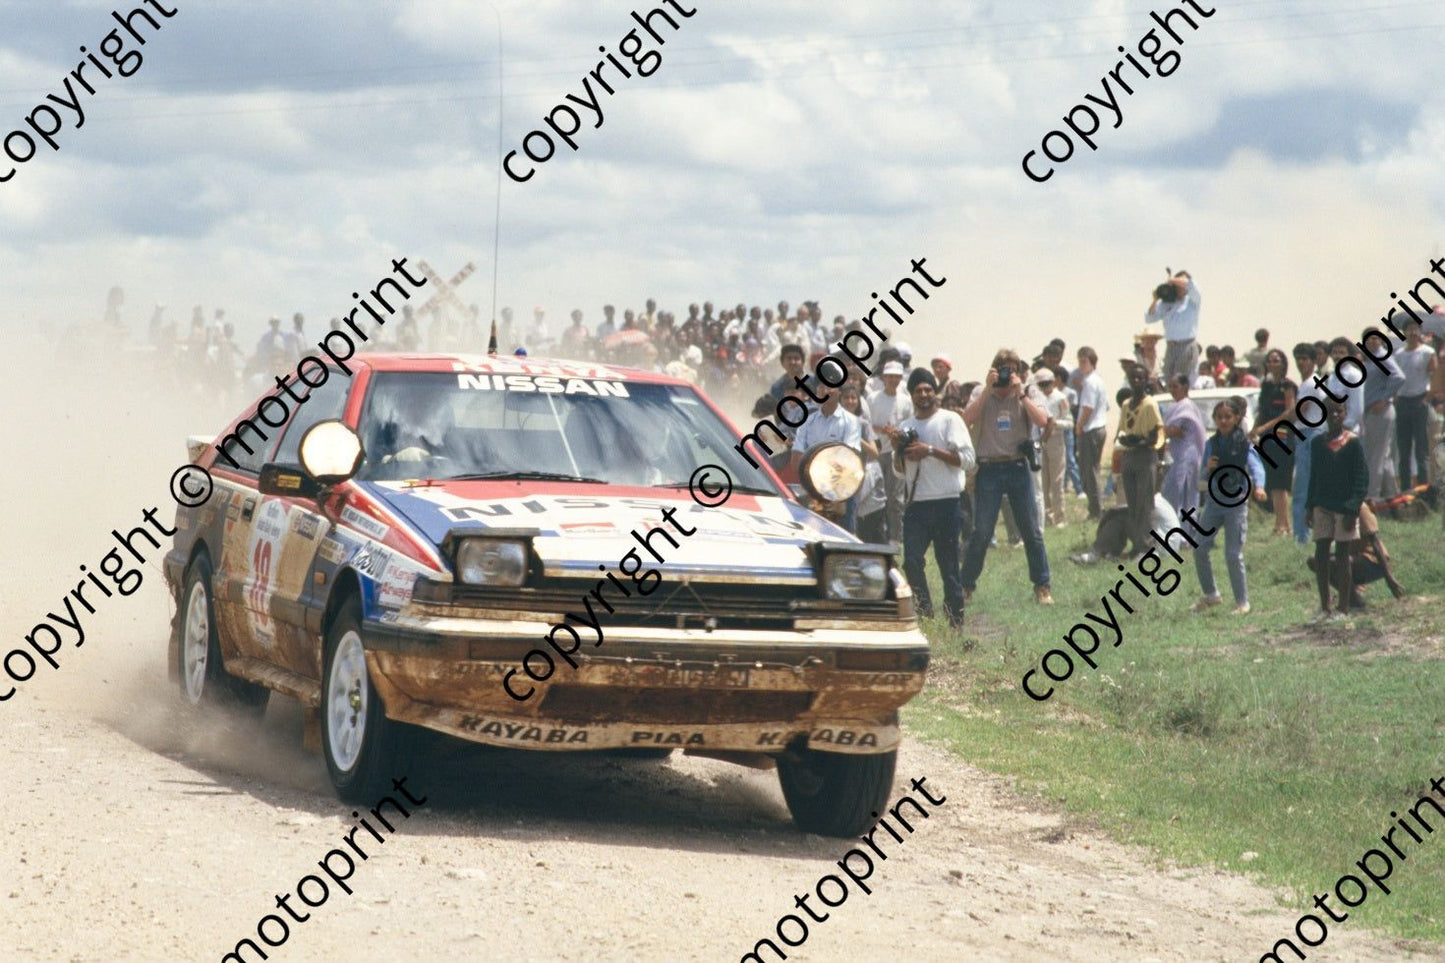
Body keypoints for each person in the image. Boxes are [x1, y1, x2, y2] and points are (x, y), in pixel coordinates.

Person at [960, 351, 1053, 605]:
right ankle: (965, 586)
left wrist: (1020, 393)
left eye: (1011, 369)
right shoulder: (982, 391)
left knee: (1031, 530)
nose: (1006, 374)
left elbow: (1043, 420)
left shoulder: (1027, 391)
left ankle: (1042, 586)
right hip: (989, 468)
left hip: (1017, 466)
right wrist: (988, 388)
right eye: (1002, 368)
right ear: (993, 369)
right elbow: (966, 419)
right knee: (982, 532)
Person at [895, 367, 975, 627]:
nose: (924, 394)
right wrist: (901, 452)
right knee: (912, 562)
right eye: (918, 390)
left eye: (928, 389)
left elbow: (968, 460)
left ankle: (955, 622)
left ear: (935, 392)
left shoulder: (950, 420)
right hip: (917, 505)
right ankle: (925, 614)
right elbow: (899, 472)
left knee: (949, 567)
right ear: (911, 395)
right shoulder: (905, 426)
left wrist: (929, 450)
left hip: (947, 503)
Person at [1191, 397, 1268, 615]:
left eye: (1228, 417)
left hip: (1236, 501)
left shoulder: (1243, 443)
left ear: (1236, 419)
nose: (1223, 421)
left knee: (1233, 554)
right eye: (1219, 417)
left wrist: (1259, 487)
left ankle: (1242, 602)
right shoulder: (1211, 444)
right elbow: (1202, 473)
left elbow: (1256, 466)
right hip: (1215, 501)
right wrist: (1208, 467)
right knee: (1199, 547)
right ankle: (1211, 594)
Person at [1305, 399, 1369, 621]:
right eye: (1329, 411)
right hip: (1322, 505)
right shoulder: (1317, 444)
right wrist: (1309, 506)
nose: (1333, 416)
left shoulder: (1353, 443)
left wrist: (1353, 509)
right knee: (1321, 553)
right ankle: (1325, 607)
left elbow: (1361, 479)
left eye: (1338, 411)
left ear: (1344, 414)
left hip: (1345, 507)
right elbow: (1314, 477)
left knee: (1342, 555)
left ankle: (1343, 608)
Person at [790, 386, 864, 532]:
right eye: (822, 387)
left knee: (843, 542)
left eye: (831, 387)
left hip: (841, 495)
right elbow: (796, 459)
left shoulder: (851, 421)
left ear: (839, 393)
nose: (826, 392)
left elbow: (848, 458)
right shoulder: (807, 422)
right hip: (812, 493)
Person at [1305, 502, 1404, 609]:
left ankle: (1353, 601)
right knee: (1316, 561)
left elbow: (1375, 541)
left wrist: (1389, 578)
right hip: (1351, 560)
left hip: (1373, 562)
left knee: (1335, 562)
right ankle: (1351, 598)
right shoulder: (1332, 507)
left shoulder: (1360, 508)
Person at [1114, 362, 1165, 557]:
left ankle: (1148, 547)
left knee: (1145, 504)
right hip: (1129, 455)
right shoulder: (1127, 404)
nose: (1136, 381)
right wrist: (1128, 440)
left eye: (1140, 378)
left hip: (1145, 456)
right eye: (1133, 378)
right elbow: (1123, 429)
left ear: (1146, 381)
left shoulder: (1150, 404)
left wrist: (1142, 443)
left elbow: (1156, 436)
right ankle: (1137, 544)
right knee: (1133, 503)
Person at [1249, 348, 1298, 535]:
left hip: (1282, 436)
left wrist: (1264, 427)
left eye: (1276, 360)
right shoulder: (1267, 386)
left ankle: (1284, 525)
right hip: (1267, 438)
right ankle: (1280, 523)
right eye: (1270, 361)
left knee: (1281, 482)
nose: (1272, 364)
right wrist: (1255, 428)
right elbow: (1261, 410)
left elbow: (1289, 412)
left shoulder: (1288, 385)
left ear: (1283, 363)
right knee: (1272, 482)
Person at [1358, 328, 1406, 500]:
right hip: (1374, 411)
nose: (1371, 342)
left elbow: (1399, 377)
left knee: (1375, 456)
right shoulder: (1371, 359)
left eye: (1375, 338)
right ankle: (1391, 493)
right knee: (1383, 455)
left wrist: (1384, 398)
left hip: (1380, 410)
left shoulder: (1381, 355)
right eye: (1368, 339)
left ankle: (1373, 496)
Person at [868, 360, 913, 541]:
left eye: (897, 377)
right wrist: (882, 430)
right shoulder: (873, 398)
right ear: (883, 378)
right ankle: (879, 535)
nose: (893, 380)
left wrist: (898, 433)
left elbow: (910, 424)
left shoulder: (905, 400)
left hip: (897, 452)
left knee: (895, 497)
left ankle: (896, 536)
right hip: (878, 451)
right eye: (890, 377)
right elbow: (867, 424)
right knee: (878, 495)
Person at [1394, 322, 1437, 490]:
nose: (1412, 332)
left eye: (1415, 329)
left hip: (1420, 401)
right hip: (1403, 402)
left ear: (1420, 332)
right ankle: (1405, 489)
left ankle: (1424, 489)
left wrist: (1428, 397)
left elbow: (1435, 377)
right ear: (1404, 333)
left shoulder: (1427, 352)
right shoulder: (1399, 354)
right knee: (1403, 450)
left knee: (1421, 449)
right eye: (1409, 330)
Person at [1146, 269, 1202, 382]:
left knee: (1180, 381)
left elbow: (1191, 284)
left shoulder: (1193, 300)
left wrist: (1171, 279)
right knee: (1169, 380)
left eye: (1181, 282)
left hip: (1185, 345)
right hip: (1171, 346)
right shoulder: (1166, 303)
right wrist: (1156, 299)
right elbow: (1149, 318)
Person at [1161, 373, 1206, 516]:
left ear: (1185, 387)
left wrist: (1158, 429)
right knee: (1175, 493)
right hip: (1178, 456)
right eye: (1170, 387)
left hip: (1185, 457)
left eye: (1175, 386)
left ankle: (1184, 533)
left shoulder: (1185, 406)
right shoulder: (1177, 406)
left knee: (1182, 495)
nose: (1172, 390)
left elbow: (1172, 430)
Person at [1073, 346, 1110, 519]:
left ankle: (1095, 509)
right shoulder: (1099, 380)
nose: (1081, 365)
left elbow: (1088, 407)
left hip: (1091, 429)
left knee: (1089, 471)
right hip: (1099, 427)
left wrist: (1079, 425)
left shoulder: (1089, 382)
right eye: (1079, 361)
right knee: (1091, 469)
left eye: (1084, 361)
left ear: (1092, 362)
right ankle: (1096, 506)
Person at [1036, 368, 1070, 527]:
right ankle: (1048, 516)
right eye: (1041, 384)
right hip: (1041, 439)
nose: (1045, 387)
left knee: (1057, 480)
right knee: (1043, 480)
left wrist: (1055, 423)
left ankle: (1060, 517)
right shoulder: (1037, 398)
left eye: (1047, 383)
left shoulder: (1061, 398)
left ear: (1053, 382)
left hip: (1056, 438)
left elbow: (1069, 422)